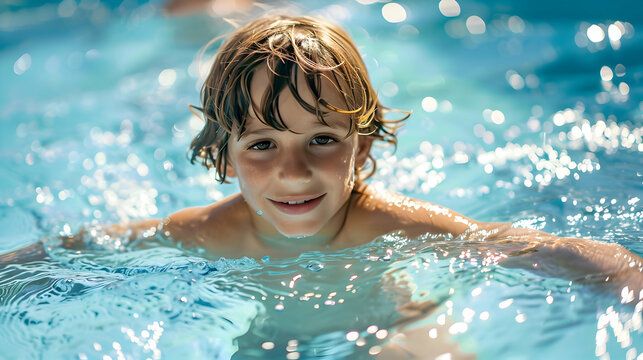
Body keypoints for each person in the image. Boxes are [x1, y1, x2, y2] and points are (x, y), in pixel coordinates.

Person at [2, 15, 641, 301]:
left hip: (387, 334)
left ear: (361, 148)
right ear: (222, 157)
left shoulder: (389, 226)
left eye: (322, 139)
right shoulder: (211, 231)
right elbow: (81, 250)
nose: (293, 170)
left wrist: (625, 280)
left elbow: (522, 246)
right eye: (262, 145)